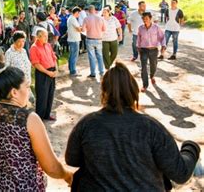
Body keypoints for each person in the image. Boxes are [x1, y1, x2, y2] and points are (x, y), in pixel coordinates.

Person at [65, 62, 200, 191]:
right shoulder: (151, 128)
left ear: (104, 92)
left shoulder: (87, 124)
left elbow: (72, 159)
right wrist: (191, 147)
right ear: (134, 92)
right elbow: (180, 173)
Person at [0, 62, 73, 190]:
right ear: (14, 92)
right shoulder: (29, 119)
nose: (29, 91)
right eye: (27, 87)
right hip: (24, 186)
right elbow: (51, 167)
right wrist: (68, 176)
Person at [30, 28, 57, 121]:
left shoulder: (48, 45)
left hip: (52, 71)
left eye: (46, 36)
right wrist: (47, 72)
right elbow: (36, 64)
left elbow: (54, 57)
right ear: (38, 37)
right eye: (44, 36)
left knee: (50, 94)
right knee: (42, 95)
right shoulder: (34, 48)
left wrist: (55, 69)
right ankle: (39, 118)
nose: (46, 38)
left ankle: (47, 114)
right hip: (42, 73)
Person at [137, 12, 166, 92]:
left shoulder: (156, 27)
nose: (144, 20)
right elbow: (139, 38)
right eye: (143, 19)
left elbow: (162, 37)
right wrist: (138, 47)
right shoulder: (140, 28)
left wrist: (163, 46)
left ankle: (152, 75)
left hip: (153, 50)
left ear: (150, 19)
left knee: (153, 65)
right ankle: (145, 85)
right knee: (143, 67)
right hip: (144, 50)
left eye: (146, 18)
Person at [4, 31, 35, 105]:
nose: (21, 43)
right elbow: (7, 70)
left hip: (26, 83)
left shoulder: (24, 51)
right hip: (17, 85)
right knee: (24, 105)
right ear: (14, 41)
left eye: (23, 41)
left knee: (30, 102)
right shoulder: (9, 53)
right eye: (19, 41)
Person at [82, 5, 106, 78]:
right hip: (98, 39)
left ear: (88, 11)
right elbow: (104, 29)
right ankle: (101, 71)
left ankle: (93, 73)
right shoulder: (101, 18)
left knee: (91, 57)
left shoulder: (86, 19)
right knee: (100, 56)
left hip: (90, 39)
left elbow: (83, 30)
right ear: (95, 10)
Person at [67, 7, 82, 76]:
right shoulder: (73, 19)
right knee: (74, 56)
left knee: (71, 55)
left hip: (72, 39)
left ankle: (71, 69)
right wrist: (82, 28)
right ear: (76, 12)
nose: (79, 15)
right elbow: (78, 29)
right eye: (79, 13)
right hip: (74, 40)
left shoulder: (71, 18)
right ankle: (73, 71)